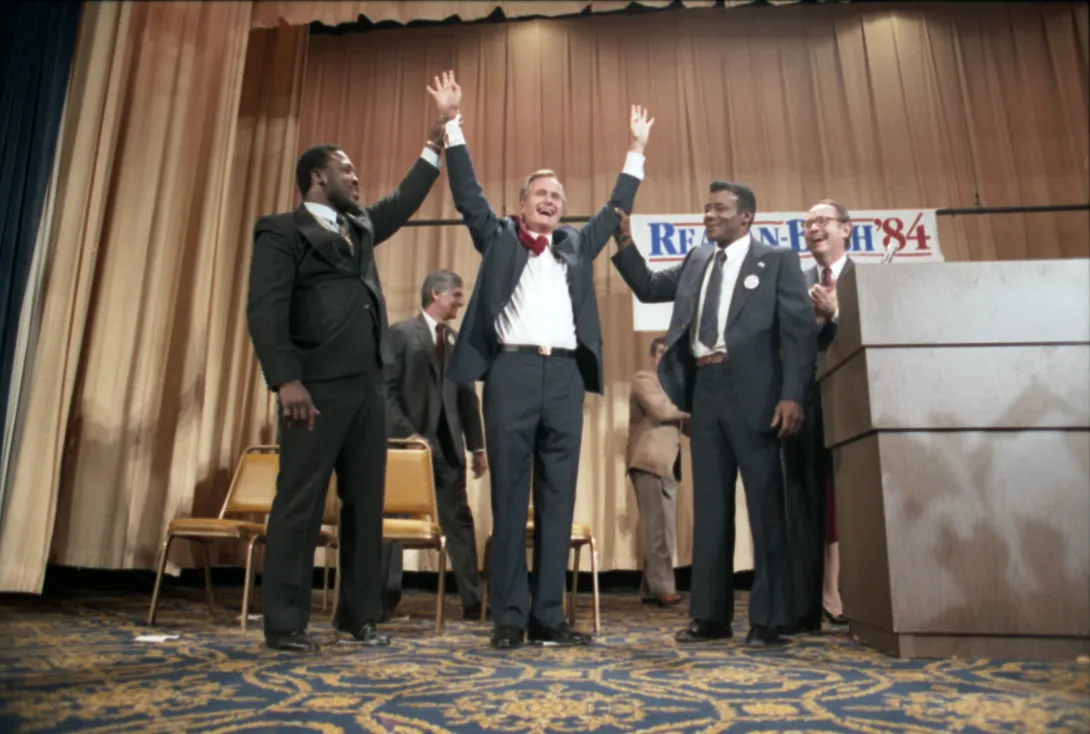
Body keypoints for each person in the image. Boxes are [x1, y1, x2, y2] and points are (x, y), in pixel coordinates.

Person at [426, 70, 653, 649]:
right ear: (522, 204)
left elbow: (614, 208)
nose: (551, 202)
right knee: (508, 501)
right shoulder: (499, 235)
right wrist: (452, 124)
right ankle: (508, 618)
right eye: (541, 196)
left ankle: (548, 617)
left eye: (558, 198)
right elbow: (469, 193)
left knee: (557, 501)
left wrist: (635, 151)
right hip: (512, 374)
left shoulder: (576, 245)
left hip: (564, 381)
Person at [245, 92, 449, 653]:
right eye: (346, 169)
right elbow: (264, 309)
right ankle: (285, 622)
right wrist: (286, 379)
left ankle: (359, 616)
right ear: (317, 177)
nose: (356, 178)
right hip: (311, 390)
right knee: (300, 502)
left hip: (366, 389)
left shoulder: (358, 226)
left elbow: (403, 201)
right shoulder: (280, 231)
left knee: (366, 503)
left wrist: (435, 144)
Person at [610, 188, 817, 647]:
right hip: (705, 393)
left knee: (765, 507)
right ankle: (710, 617)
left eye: (720, 209)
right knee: (710, 509)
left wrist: (792, 395)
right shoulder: (698, 260)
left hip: (758, 395)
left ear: (746, 217)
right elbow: (646, 285)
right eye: (706, 208)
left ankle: (768, 620)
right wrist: (624, 241)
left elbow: (799, 333)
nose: (709, 215)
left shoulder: (777, 259)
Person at [386, 269, 488, 621]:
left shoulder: (458, 341)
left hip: (447, 449)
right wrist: (406, 434)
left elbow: (467, 400)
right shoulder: (400, 334)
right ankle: (384, 599)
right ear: (435, 294)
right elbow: (384, 391)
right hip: (406, 448)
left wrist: (477, 447)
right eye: (456, 294)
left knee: (459, 521)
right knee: (393, 523)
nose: (461, 301)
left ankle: (474, 601)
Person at [783, 199, 854, 632]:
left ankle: (854, 598)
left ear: (846, 229)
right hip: (805, 404)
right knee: (803, 503)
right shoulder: (794, 282)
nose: (813, 229)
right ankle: (805, 608)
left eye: (822, 221)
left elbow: (879, 327)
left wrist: (837, 314)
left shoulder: (868, 277)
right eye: (807, 223)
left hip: (853, 404)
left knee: (850, 503)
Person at [626, 336, 688, 607]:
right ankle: (663, 588)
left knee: (663, 528)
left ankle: (651, 588)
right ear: (653, 356)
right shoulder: (644, 379)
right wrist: (692, 410)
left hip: (668, 464)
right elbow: (661, 411)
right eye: (661, 352)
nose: (664, 357)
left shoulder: (675, 386)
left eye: (668, 352)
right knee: (658, 529)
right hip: (649, 462)